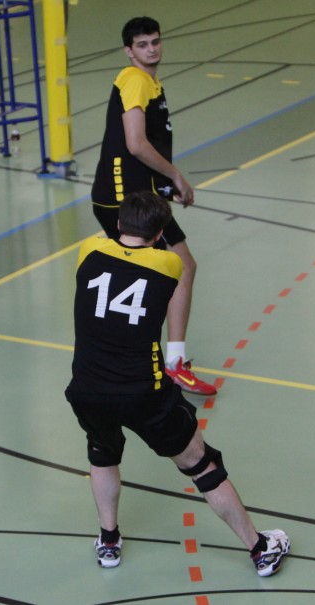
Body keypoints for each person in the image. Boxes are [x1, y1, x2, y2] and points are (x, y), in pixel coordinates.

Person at [65, 191, 290, 576]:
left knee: (102, 453)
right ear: (159, 235)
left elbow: (113, 251)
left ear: (118, 224)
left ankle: (108, 542)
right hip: (144, 393)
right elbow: (173, 267)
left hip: (87, 388)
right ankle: (259, 548)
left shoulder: (89, 250)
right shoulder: (168, 263)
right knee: (202, 463)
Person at [91, 16, 215, 396]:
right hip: (124, 199)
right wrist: (176, 176)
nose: (151, 49)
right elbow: (135, 143)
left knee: (180, 266)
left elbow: (145, 147)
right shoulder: (134, 79)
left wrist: (164, 185)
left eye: (155, 42)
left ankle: (167, 361)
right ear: (129, 51)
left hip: (142, 194)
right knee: (168, 271)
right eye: (143, 44)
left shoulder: (151, 83)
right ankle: (153, 363)